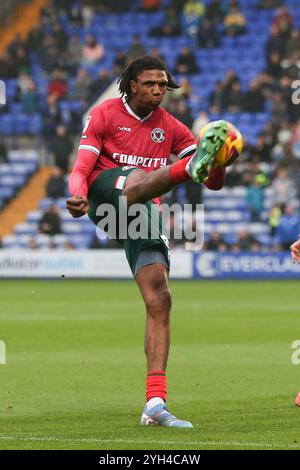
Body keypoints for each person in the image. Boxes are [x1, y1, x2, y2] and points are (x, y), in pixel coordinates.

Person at [66, 56, 228, 428]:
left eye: (163, 85)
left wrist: (220, 161)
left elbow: (214, 184)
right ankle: (184, 168)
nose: (158, 90)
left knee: (160, 298)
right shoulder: (104, 114)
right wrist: (77, 195)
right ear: (132, 85)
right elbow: (81, 168)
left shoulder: (171, 127)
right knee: (139, 177)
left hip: (141, 211)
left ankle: (155, 403)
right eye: (150, 84)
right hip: (107, 194)